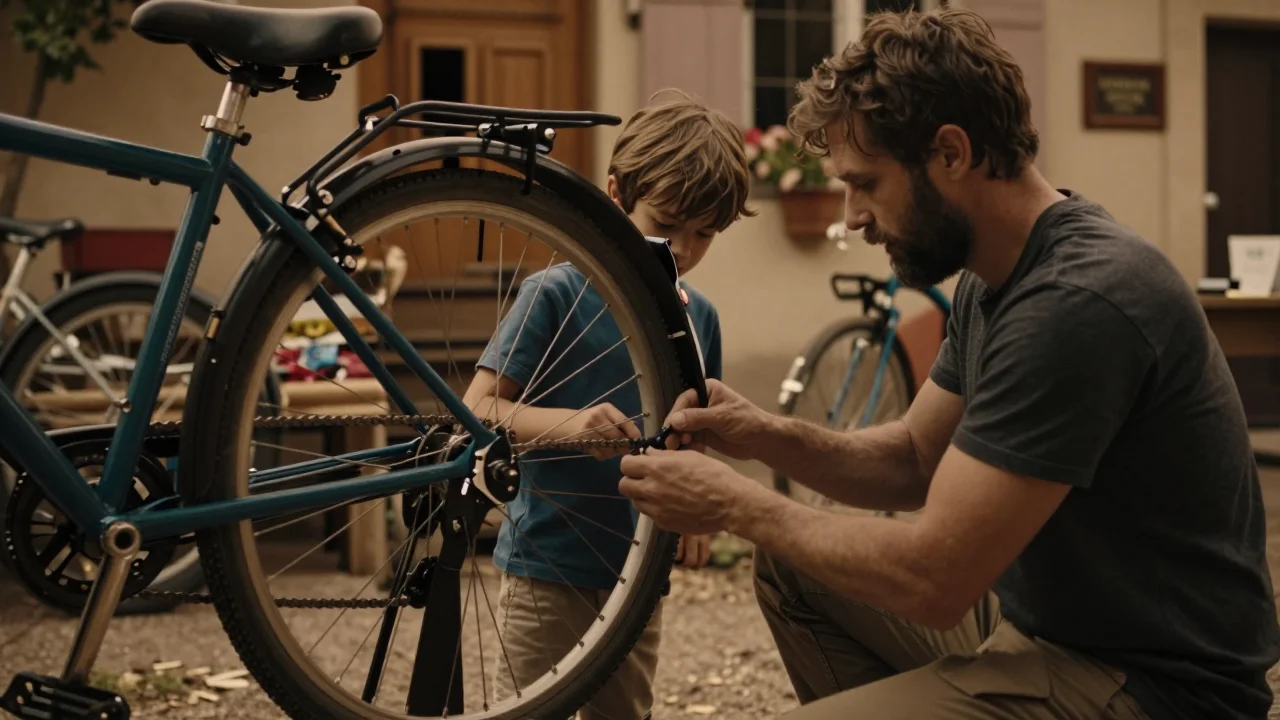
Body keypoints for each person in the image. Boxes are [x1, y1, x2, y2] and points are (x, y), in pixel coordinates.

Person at [618, 8, 1280, 720]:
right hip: (1048, 630)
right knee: (794, 565)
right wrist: (760, 434)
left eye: (867, 184)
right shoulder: (994, 276)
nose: (852, 217)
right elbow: (914, 458)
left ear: (952, 153)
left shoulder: (1079, 300)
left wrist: (733, 504)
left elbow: (934, 578)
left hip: (1149, 685)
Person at [462, 90, 753, 719]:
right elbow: (478, 407)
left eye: (705, 233)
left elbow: (692, 431)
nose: (684, 249)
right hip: (546, 568)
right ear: (617, 196)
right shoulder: (553, 293)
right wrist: (572, 426)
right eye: (666, 224)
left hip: (639, 575)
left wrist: (695, 516)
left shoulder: (699, 318)